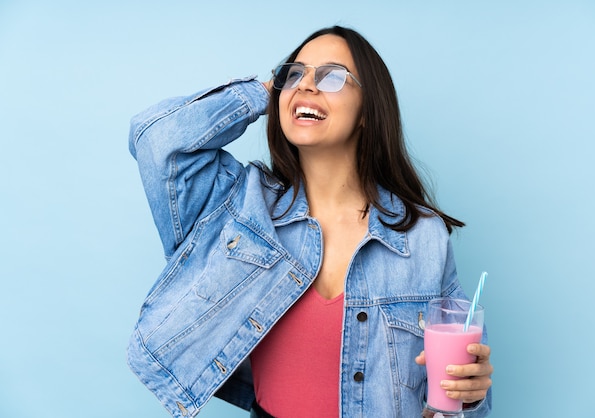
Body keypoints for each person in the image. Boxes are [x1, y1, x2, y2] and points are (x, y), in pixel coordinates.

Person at [127, 26, 493, 418]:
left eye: (332, 76)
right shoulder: (240, 207)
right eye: (295, 74)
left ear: (368, 111)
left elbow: (459, 396)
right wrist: (266, 91)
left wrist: (470, 397)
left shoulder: (423, 237)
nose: (307, 86)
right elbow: (159, 141)